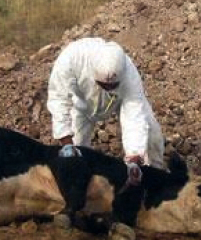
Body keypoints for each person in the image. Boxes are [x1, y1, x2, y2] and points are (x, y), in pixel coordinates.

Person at [47, 37, 165, 185]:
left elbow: (134, 115)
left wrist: (134, 158)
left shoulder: (129, 74)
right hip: (82, 104)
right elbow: (59, 99)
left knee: (152, 135)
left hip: (118, 101)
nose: (108, 88)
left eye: (112, 86)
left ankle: (156, 179)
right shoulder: (71, 58)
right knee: (75, 157)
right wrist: (66, 142)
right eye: (103, 85)